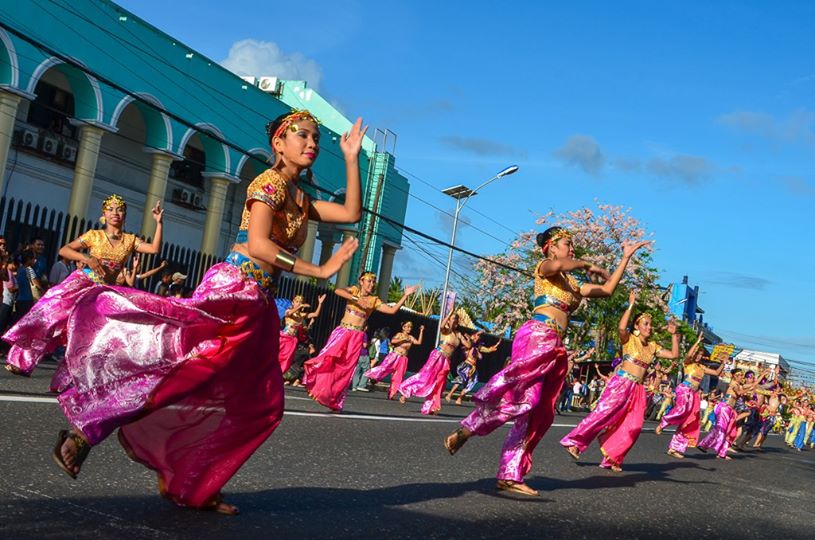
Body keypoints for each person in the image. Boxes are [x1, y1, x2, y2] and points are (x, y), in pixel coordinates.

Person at [4, 110, 366, 514]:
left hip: (261, 303)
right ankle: (87, 429)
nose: (312, 143)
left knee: (263, 404)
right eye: (302, 135)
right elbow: (261, 245)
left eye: (316, 138)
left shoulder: (302, 199)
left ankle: (195, 484)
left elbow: (351, 214)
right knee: (186, 369)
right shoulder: (269, 183)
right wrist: (318, 270)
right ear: (279, 144)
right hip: (236, 289)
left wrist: (351, 158)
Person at [444, 227, 650, 496]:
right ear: (552, 247)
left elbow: (608, 289)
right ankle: (472, 431)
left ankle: (508, 472)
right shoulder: (544, 268)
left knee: (536, 411)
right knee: (524, 401)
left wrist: (625, 258)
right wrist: (588, 263)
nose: (572, 249)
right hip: (536, 336)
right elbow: (560, 265)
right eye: (568, 244)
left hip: (555, 346)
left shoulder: (573, 285)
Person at [560, 289, 679, 472]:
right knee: (603, 414)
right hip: (621, 383)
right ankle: (574, 442)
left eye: (651, 324)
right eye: (645, 324)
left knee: (633, 426)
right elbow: (622, 328)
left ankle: (613, 457)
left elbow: (673, 355)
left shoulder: (653, 347)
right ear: (637, 327)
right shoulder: (629, 339)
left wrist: (673, 335)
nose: (650, 327)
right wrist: (631, 305)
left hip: (638, 389)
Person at [303, 272, 417, 411]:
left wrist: (405, 295)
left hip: (356, 336)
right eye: (369, 281)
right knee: (328, 358)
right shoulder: (354, 290)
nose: (371, 284)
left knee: (346, 368)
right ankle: (314, 382)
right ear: (361, 281)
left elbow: (392, 310)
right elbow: (338, 290)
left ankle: (334, 399)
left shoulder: (374, 300)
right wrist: (355, 298)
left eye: (373, 282)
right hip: (342, 332)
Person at [400, 310, 472, 415]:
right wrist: (449, 313)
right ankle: (407, 392)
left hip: (446, 361)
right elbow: (442, 326)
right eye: (453, 319)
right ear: (449, 321)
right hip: (437, 356)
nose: (454, 322)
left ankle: (431, 406)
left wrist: (468, 339)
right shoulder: (446, 331)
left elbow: (468, 346)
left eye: (456, 320)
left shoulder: (458, 334)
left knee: (439, 383)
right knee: (425, 377)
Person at [365, 321, 424, 399]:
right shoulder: (399, 334)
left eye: (410, 327)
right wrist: (402, 340)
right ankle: (375, 378)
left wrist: (421, 331)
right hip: (394, 356)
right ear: (403, 327)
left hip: (403, 359)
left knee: (398, 377)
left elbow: (418, 342)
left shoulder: (411, 337)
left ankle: (391, 394)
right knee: (384, 368)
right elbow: (393, 341)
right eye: (407, 326)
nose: (409, 328)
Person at [445, 332, 501, 405]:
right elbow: (470, 340)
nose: (478, 337)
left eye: (479, 337)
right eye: (477, 336)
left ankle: (460, 398)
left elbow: (488, 350)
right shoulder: (470, 344)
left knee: (471, 383)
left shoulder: (478, 347)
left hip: (473, 367)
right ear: (473, 336)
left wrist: (497, 344)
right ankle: (450, 394)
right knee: (461, 379)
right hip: (467, 365)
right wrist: (476, 334)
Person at [279, 294, 325, 373]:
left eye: (300, 302)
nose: (299, 303)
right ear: (293, 302)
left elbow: (315, 314)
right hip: (284, 337)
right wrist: (300, 306)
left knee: (287, 358)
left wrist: (320, 303)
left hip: (292, 340)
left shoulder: (301, 315)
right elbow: (288, 314)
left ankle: (280, 373)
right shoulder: (289, 310)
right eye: (297, 301)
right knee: (279, 355)